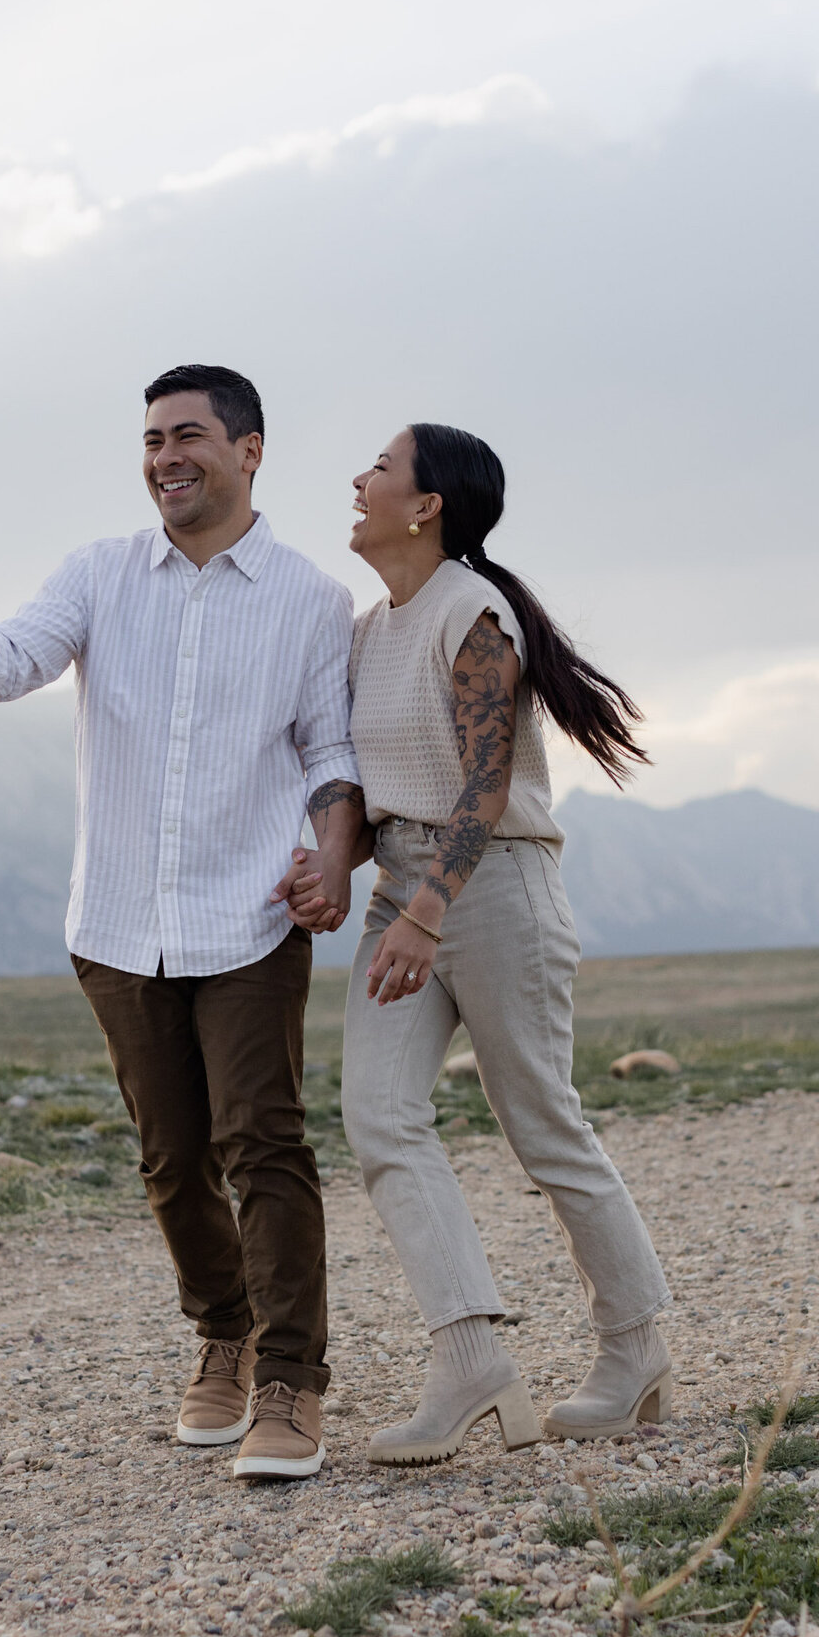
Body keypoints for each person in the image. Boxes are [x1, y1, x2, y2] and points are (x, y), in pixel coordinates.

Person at [0, 365, 362, 1482]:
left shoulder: (308, 598)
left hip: (248, 917)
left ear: (249, 451)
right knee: (169, 1158)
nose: (163, 458)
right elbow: (6, 666)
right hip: (115, 923)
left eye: (186, 435)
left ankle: (292, 1376)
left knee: (264, 1144)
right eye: (149, 441)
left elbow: (331, 756)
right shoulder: (98, 574)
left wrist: (330, 863)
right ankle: (223, 1334)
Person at [279, 421, 672, 1466]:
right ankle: (469, 1361)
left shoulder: (474, 613)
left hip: (493, 890)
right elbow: (380, 792)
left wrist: (423, 911)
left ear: (427, 506)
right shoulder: (370, 630)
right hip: (405, 891)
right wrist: (334, 866)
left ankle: (634, 1351)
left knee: (542, 1126)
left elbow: (482, 788)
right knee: (379, 1119)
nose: (356, 479)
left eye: (379, 466)